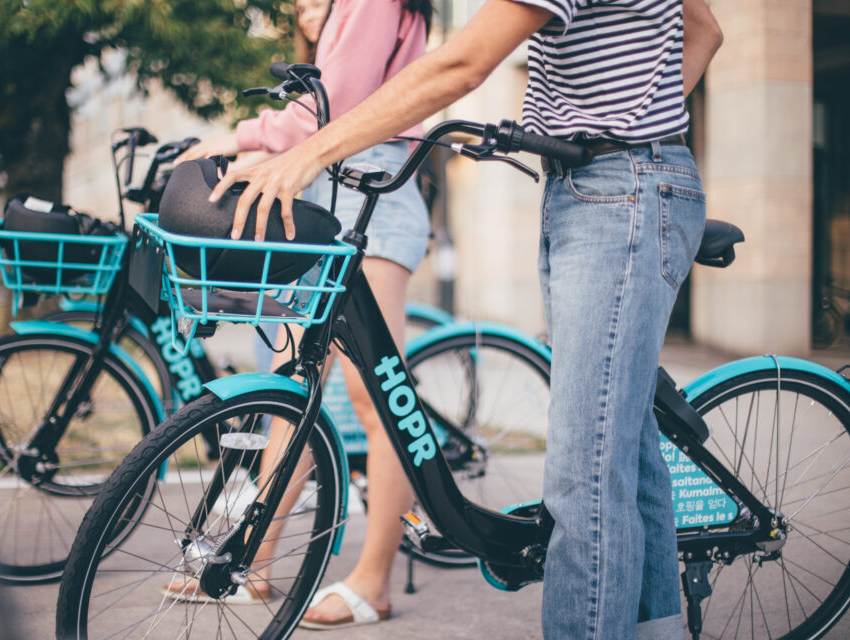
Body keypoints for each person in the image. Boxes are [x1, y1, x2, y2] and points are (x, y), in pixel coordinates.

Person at [210, 0, 724, 637]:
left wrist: (310, 151)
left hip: (616, 188)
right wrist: (639, 127)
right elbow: (703, 29)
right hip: (602, 180)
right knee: (624, 454)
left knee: (585, 477)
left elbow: (462, 62)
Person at [167, 0, 435, 629]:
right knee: (291, 383)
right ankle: (253, 562)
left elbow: (328, 107)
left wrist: (234, 140)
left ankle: (374, 579)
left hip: (376, 187)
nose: (302, 7)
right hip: (330, 187)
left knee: (377, 396)